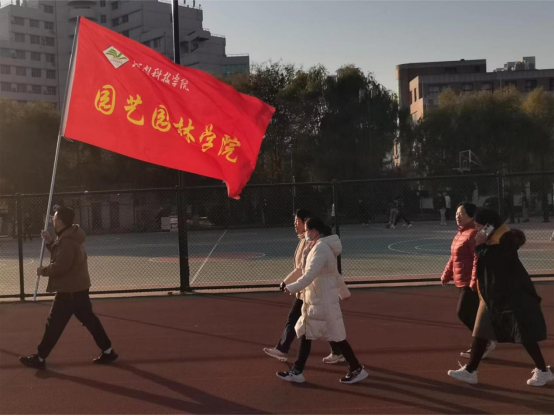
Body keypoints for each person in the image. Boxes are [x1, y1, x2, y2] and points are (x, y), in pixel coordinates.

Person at [448, 208, 552, 387]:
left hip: (512, 296)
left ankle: (543, 371)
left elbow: (497, 264)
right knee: (481, 331)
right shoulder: (492, 238)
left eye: (480, 226)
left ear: (489, 225)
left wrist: (481, 246)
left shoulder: (505, 239)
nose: (477, 230)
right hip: (492, 295)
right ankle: (470, 371)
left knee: (524, 334)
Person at [19, 206, 118, 369]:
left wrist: (43, 271)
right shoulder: (70, 236)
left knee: (54, 324)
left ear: (60, 221)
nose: (52, 219)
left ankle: (40, 358)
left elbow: (61, 266)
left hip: (69, 291)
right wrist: (50, 242)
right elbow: (62, 255)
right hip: (78, 287)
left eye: (54, 217)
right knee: (89, 320)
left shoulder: (67, 240)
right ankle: (108, 351)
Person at [277, 217, 367, 385]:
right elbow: (333, 274)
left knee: (336, 336)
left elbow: (309, 275)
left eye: (307, 230)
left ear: (314, 231)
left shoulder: (321, 249)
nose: (305, 234)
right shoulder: (318, 247)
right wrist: (344, 292)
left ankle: (356, 368)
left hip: (322, 301)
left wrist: (292, 287)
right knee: (306, 333)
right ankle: (297, 371)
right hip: (317, 300)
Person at [263, 209, 347, 365]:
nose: (295, 224)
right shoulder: (306, 241)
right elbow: (301, 268)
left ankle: (285, 351)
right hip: (308, 290)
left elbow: (305, 270)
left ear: (306, 223)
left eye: (297, 221)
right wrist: (288, 282)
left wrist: (290, 284)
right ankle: (338, 353)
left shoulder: (314, 244)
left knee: (299, 322)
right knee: (321, 324)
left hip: (310, 290)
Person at [441, 202, 495, 359]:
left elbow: (477, 258)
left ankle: (485, 342)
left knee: (464, 312)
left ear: (471, 216)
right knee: (472, 314)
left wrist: (473, 281)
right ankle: (483, 343)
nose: (458, 216)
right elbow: (453, 257)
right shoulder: (460, 233)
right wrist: (446, 274)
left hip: (470, 282)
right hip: (461, 280)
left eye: (462, 214)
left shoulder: (472, 234)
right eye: (457, 214)